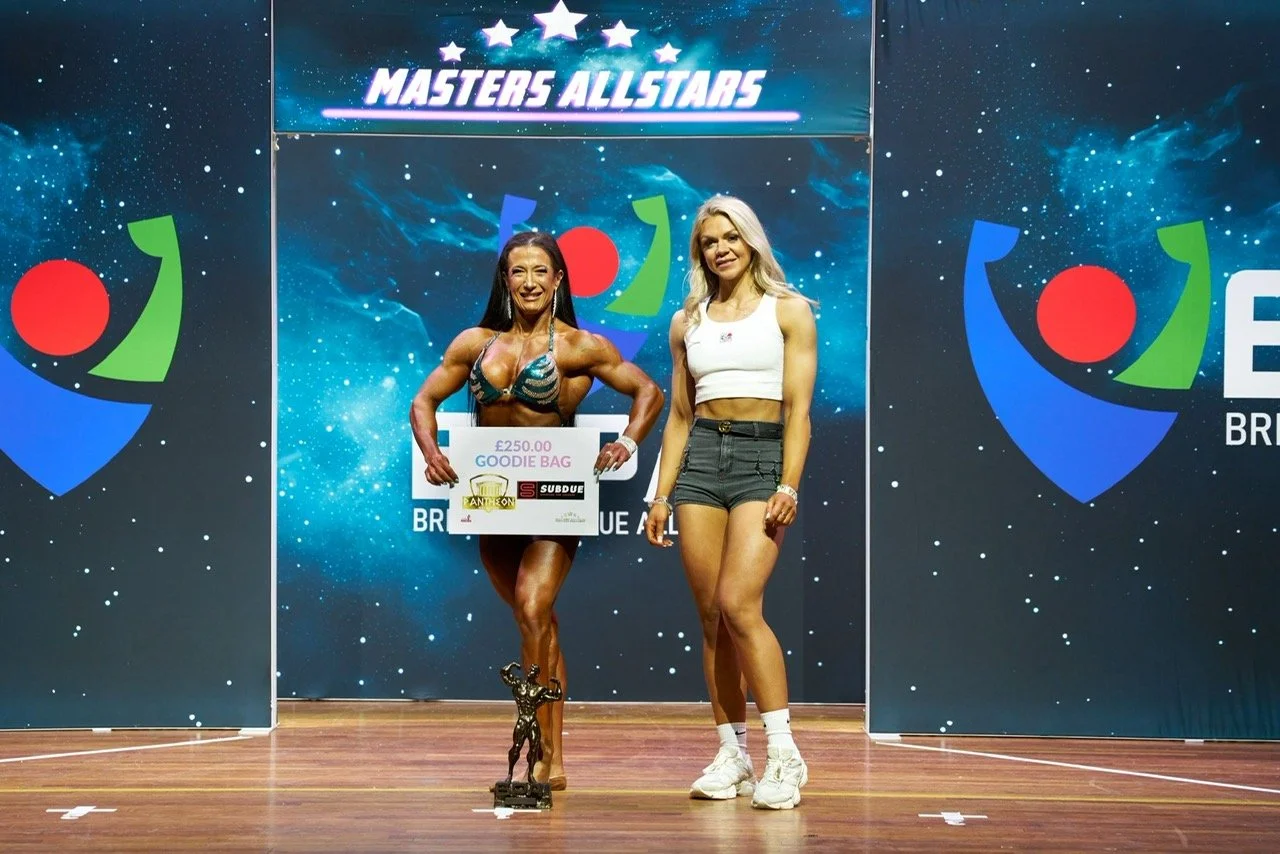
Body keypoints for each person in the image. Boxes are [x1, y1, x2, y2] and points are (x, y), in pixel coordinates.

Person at [410, 230, 664, 790]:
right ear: (506, 280)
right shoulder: (475, 344)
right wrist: (432, 452)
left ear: (558, 279)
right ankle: (551, 755)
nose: (529, 282)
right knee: (537, 623)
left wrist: (627, 443)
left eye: (539, 271)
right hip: (493, 503)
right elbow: (423, 400)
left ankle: (543, 756)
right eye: (518, 271)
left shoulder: (579, 347)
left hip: (553, 500)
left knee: (532, 608)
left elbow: (649, 392)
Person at [644, 195, 817, 810]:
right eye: (709, 242)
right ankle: (733, 754)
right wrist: (659, 495)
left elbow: (799, 411)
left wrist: (788, 484)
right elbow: (679, 417)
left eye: (730, 237)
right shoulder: (687, 321)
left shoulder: (789, 311)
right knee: (712, 616)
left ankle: (784, 756)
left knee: (740, 603)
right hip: (699, 464)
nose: (720, 249)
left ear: (751, 241)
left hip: (761, 458)